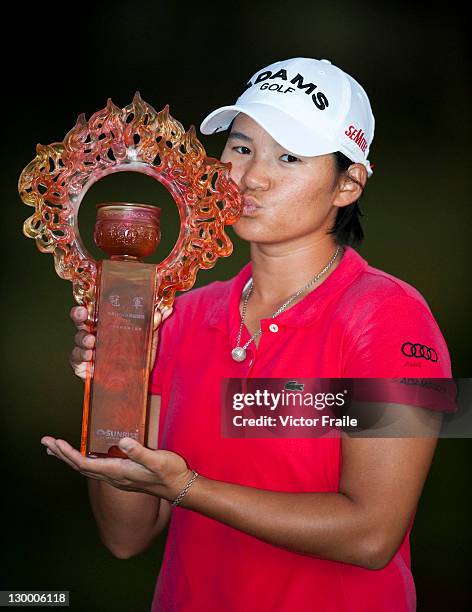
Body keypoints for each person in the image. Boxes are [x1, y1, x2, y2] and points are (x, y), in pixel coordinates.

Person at [41, 58, 452, 611]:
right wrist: (117, 381)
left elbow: (371, 536)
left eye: (289, 157)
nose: (252, 176)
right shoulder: (180, 315)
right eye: (240, 148)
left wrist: (189, 488)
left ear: (347, 184)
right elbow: (125, 537)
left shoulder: (393, 318)